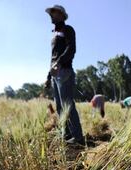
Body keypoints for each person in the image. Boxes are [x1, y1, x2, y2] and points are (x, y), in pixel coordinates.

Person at [44, 5, 84, 145]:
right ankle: (65, 135)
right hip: (55, 74)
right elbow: (52, 57)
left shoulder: (68, 30)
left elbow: (71, 49)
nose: (51, 15)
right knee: (60, 107)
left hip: (64, 71)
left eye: (53, 12)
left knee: (67, 104)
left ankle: (78, 137)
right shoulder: (54, 34)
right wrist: (49, 76)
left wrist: (59, 63)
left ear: (61, 15)